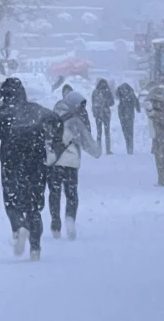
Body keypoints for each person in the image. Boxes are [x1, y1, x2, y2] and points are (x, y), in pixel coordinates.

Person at [0, 76, 58, 260]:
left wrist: (4, 126)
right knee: (34, 206)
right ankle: (35, 247)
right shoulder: (37, 110)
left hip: (11, 163)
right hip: (36, 163)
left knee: (12, 200)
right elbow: (57, 121)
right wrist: (52, 143)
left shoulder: (3, 112)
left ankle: (19, 226)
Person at [47, 88, 101, 239]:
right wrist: (97, 150)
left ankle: (55, 223)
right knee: (71, 194)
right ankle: (70, 219)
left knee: (54, 193)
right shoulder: (75, 121)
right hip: (71, 163)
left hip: (54, 162)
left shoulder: (51, 117)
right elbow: (89, 144)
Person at [145, 86, 164, 186]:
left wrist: (156, 115)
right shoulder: (155, 108)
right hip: (157, 138)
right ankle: (161, 179)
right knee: (158, 158)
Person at [115, 81, 140, 154]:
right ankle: (130, 148)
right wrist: (138, 109)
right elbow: (136, 101)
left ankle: (128, 145)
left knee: (125, 130)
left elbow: (116, 96)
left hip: (122, 113)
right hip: (130, 113)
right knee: (130, 131)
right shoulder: (130, 91)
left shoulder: (119, 90)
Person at [91, 77, 114, 154]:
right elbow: (112, 103)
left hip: (98, 114)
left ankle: (98, 149)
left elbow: (93, 103)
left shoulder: (95, 92)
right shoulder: (108, 92)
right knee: (107, 133)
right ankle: (108, 150)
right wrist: (106, 103)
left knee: (99, 132)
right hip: (106, 114)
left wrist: (94, 113)